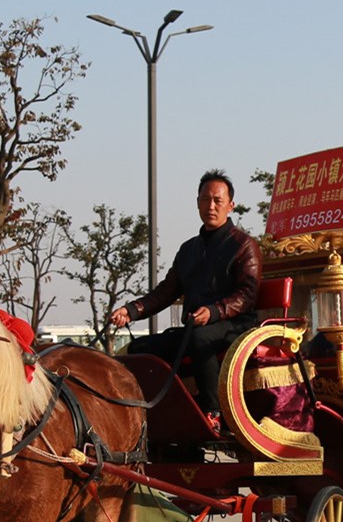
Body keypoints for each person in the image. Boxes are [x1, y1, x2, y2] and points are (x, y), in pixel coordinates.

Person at [110, 170, 261, 418]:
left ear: (230, 206)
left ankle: (214, 412)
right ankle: (157, 415)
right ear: (197, 203)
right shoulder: (189, 249)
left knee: (200, 338)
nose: (210, 206)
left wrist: (213, 312)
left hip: (235, 325)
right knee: (141, 347)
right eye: (205, 199)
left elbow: (247, 296)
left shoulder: (244, 245)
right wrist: (131, 310)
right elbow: (164, 293)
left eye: (217, 201)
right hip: (194, 327)